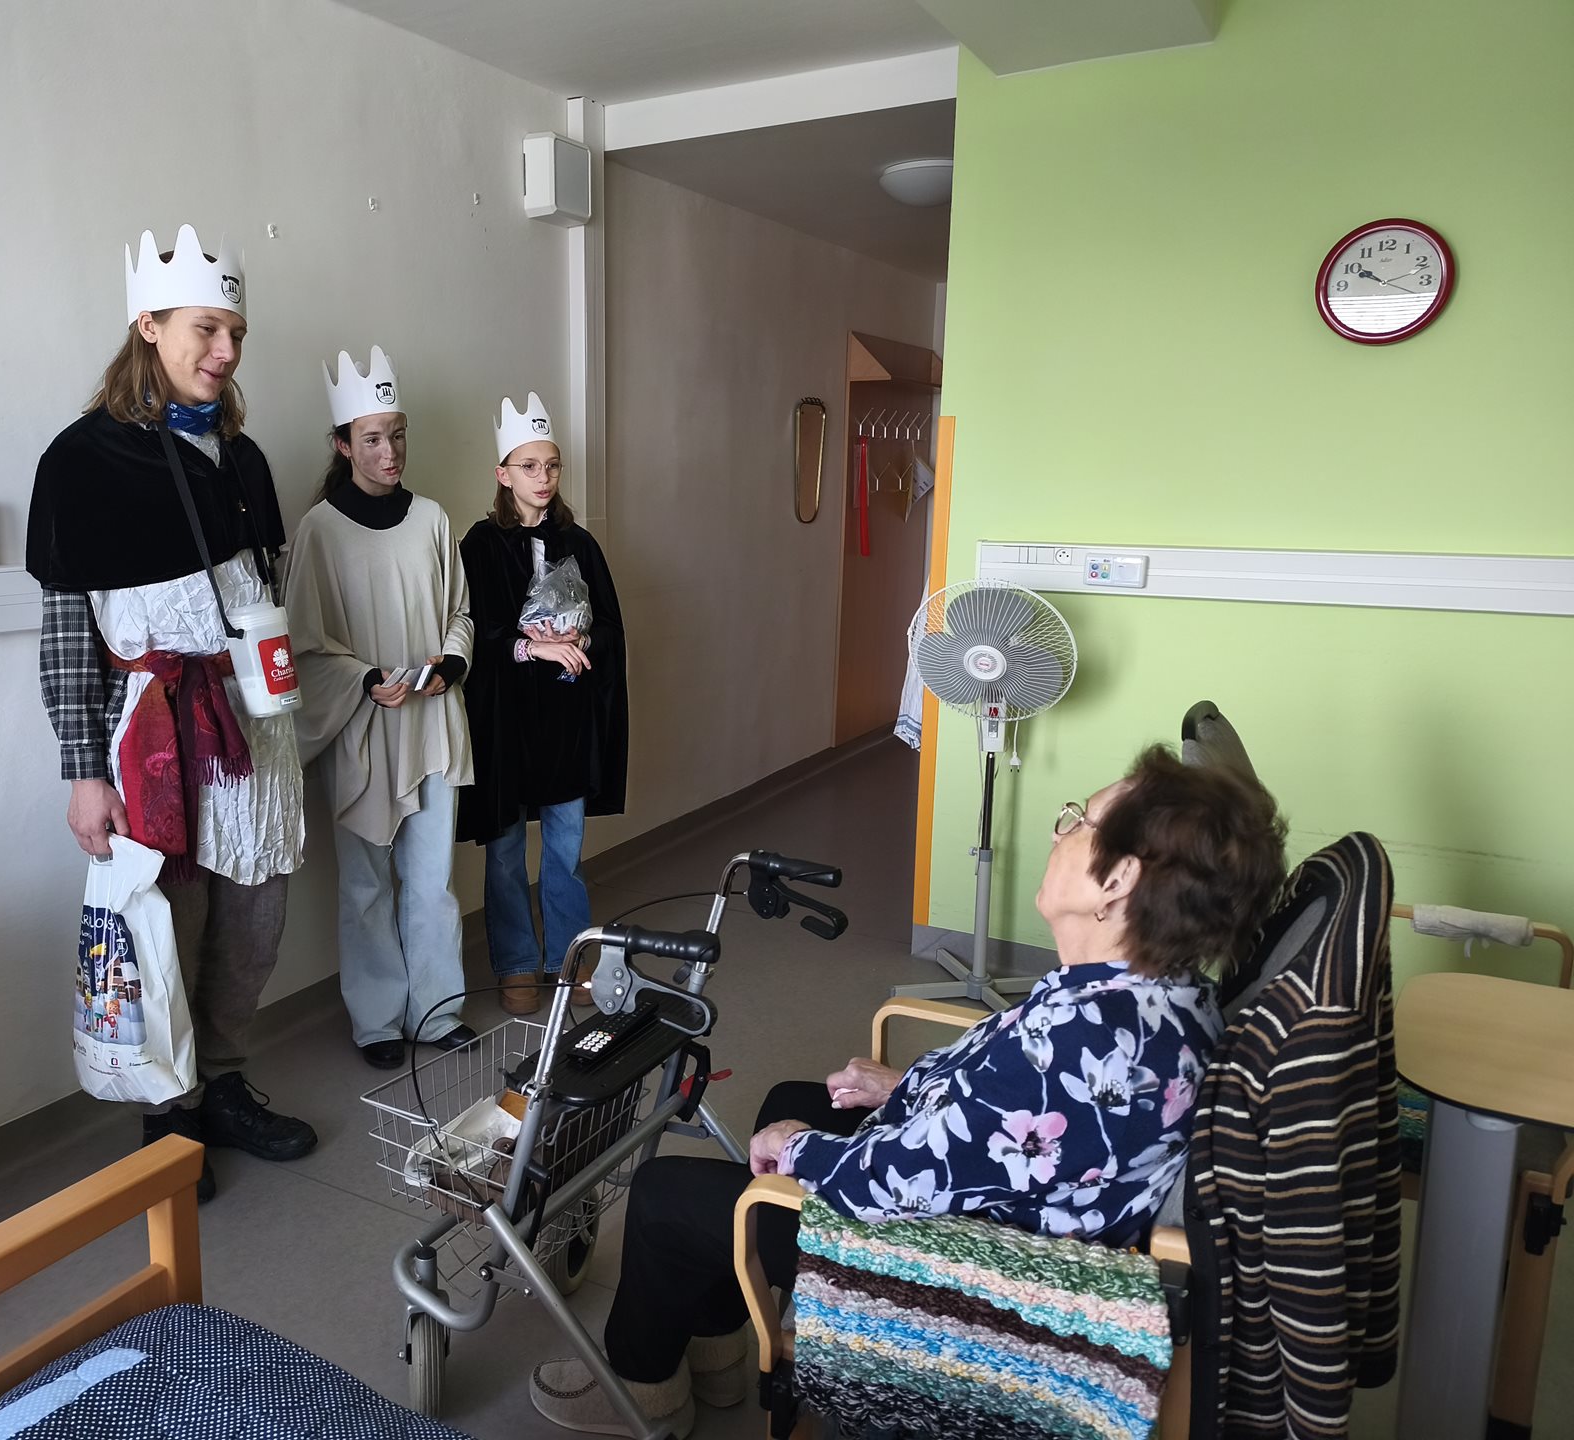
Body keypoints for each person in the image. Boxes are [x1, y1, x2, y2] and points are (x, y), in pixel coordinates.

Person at [528, 745, 1288, 1437]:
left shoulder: (1083, 1045)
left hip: (959, 1269)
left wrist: (799, 1149)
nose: (1058, 834)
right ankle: (719, 1351)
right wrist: (903, 1083)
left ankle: (643, 1391)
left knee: (667, 1193)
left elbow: (898, 1177)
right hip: (1012, 1197)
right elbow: (1003, 1111)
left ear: (1116, 881)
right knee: (790, 1097)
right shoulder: (1152, 997)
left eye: (1076, 822)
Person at [25, 224, 316, 1205]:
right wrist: (83, 771)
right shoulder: (80, 462)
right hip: (155, 735)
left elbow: (263, 596)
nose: (226, 352)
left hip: (254, 729)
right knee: (168, 929)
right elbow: (68, 636)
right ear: (148, 325)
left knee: (252, 925)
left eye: (236, 333)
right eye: (206, 329)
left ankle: (223, 1082)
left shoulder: (244, 460)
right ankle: (171, 1114)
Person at [285, 347, 477, 1069]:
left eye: (397, 435)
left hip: (430, 722)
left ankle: (436, 1009)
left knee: (432, 879)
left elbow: (460, 612)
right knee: (365, 883)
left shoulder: (432, 519)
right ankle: (376, 1020)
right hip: (362, 728)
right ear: (343, 445)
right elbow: (305, 645)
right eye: (371, 438)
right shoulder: (320, 530)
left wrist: (451, 663)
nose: (388, 451)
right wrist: (365, 679)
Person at [457, 393, 627, 1014]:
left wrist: (579, 640)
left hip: (564, 722)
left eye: (551, 465)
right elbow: (472, 632)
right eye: (529, 466)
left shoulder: (579, 543)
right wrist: (530, 648)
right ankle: (516, 963)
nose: (543, 477)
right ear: (503, 474)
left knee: (564, 848)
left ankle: (568, 959)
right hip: (506, 722)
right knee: (505, 851)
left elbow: (611, 628)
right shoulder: (480, 545)